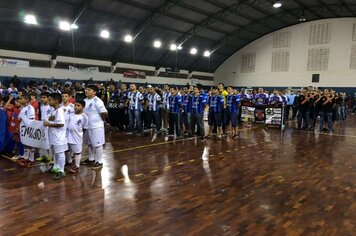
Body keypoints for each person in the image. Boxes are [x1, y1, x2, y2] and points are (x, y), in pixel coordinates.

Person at [44, 93, 68, 180]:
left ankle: (61, 171)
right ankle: (55, 167)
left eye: (50, 99)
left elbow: (61, 124)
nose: (48, 101)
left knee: (60, 152)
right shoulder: (54, 110)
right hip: (54, 136)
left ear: (56, 101)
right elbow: (53, 120)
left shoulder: (60, 111)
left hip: (59, 137)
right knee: (55, 152)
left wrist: (49, 124)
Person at [83, 84, 108, 170]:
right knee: (90, 143)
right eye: (86, 89)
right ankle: (91, 159)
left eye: (89, 90)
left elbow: (104, 113)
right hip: (87, 126)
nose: (86, 91)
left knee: (98, 144)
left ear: (94, 92)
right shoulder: (85, 100)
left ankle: (99, 161)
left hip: (96, 126)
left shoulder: (97, 101)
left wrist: (101, 121)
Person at [66, 101, 88, 173]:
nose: (76, 107)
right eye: (75, 105)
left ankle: (77, 166)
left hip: (77, 137)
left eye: (78, 105)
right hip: (68, 135)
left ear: (83, 107)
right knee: (68, 150)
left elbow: (84, 128)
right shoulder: (71, 114)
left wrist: (79, 134)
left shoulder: (84, 116)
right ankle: (69, 162)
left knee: (77, 152)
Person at [17, 93, 36, 167]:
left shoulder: (30, 108)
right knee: (25, 143)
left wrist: (29, 128)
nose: (20, 100)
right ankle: (26, 157)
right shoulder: (23, 107)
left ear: (27, 100)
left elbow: (31, 119)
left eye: (21, 99)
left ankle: (31, 159)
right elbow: (20, 119)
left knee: (30, 144)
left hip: (29, 128)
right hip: (23, 128)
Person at [36, 92, 54, 162]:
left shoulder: (51, 107)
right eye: (41, 97)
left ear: (48, 98)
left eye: (44, 97)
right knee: (43, 140)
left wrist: (48, 122)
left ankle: (51, 157)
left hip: (48, 126)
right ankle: (44, 156)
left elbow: (53, 117)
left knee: (49, 142)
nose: (42, 99)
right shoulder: (42, 106)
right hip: (43, 125)